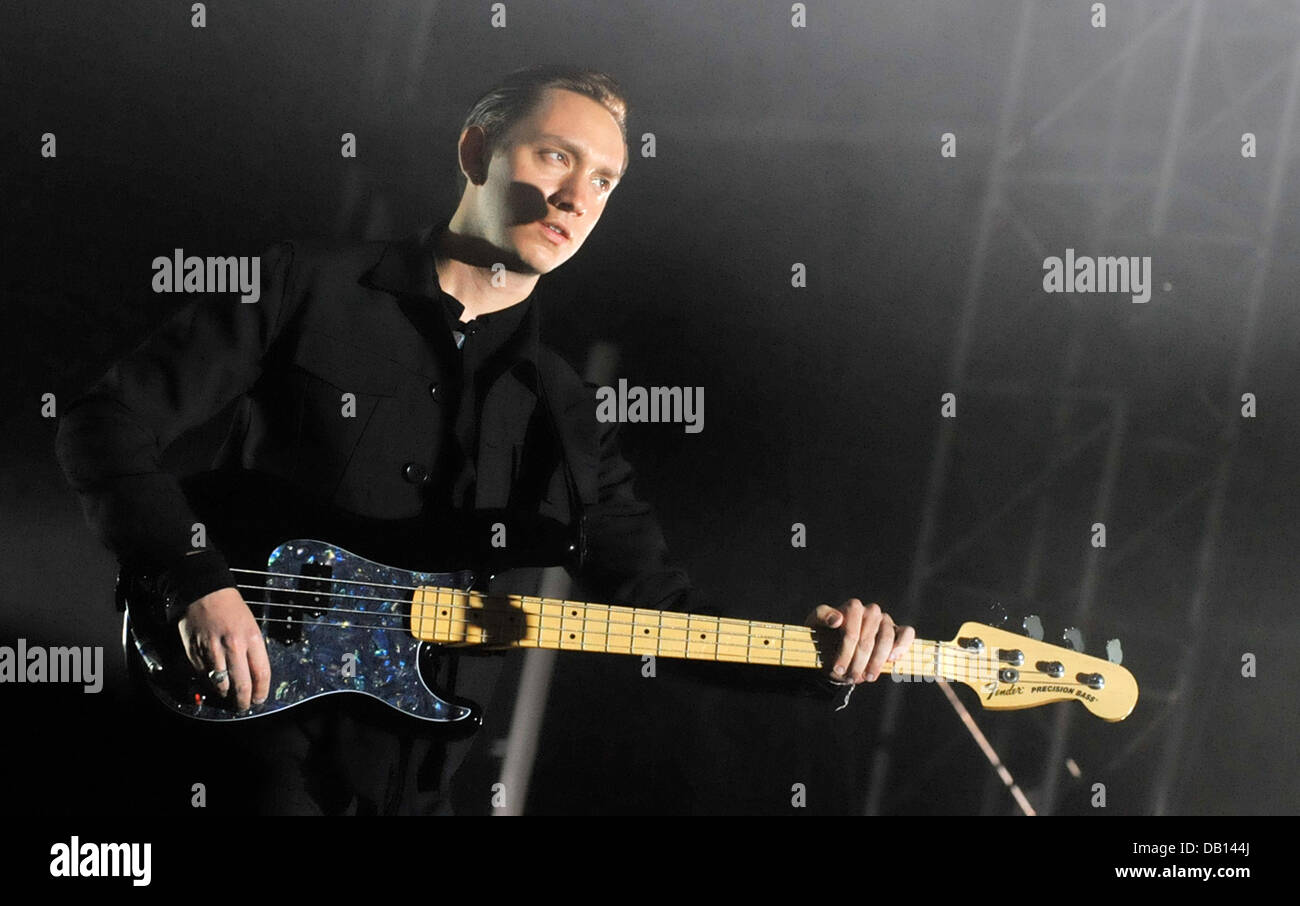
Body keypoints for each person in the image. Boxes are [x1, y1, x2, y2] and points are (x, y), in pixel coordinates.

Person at [56, 64, 916, 814]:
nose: (579, 197)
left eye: (607, 180)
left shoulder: (564, 409)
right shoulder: (307, 286)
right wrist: (192, 578)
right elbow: (106, 421)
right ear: (476, 152)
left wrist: (822, 658)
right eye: (557, 156)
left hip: (413, 783)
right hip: (243, 747)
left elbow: (655, 612)